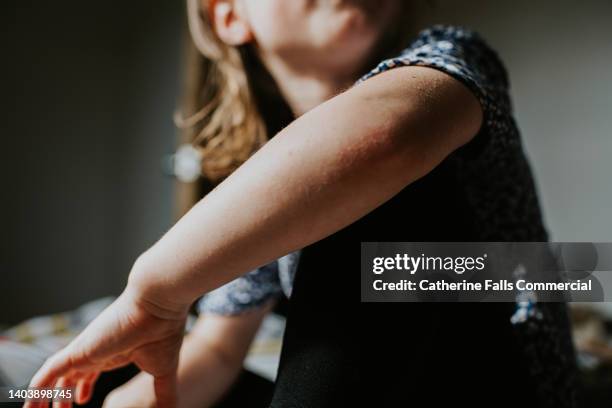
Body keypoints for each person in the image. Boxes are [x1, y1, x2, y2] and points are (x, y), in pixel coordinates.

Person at [25, 0, 578, 407]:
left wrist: (154, 290)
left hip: (505, 366)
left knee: (365, 200)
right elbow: (216, 351)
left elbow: (385, 138)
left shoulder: (453, 54)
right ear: (228, 16)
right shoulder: (264, 182)